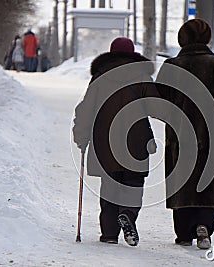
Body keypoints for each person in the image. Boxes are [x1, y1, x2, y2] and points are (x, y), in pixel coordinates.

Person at [156, 19, 214, 249]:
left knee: (183, 181)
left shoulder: (172, 66)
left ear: (183, 39)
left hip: (180, 136)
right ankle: (204, 228)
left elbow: (158, 102)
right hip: (213, 136)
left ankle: (184, 233)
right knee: (208, 180)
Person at [72, 37, 158, 246]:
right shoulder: (142, 75)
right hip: (136, 140)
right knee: (134, 183)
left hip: (105, 140)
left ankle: (109, 233)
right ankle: (128, 214)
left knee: (110, 185)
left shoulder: (100, 77)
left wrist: (81, 135)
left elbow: (86, 109)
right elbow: (156, 106)